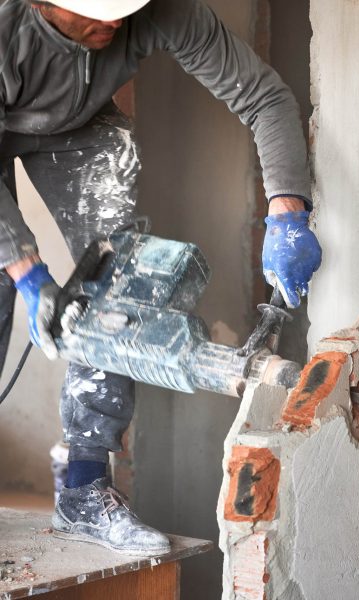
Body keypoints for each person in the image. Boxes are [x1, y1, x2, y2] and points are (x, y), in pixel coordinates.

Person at [0, 0, 322, 555]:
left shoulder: (159, 9)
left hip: (80, 128)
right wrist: (27, 273)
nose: (115, 24)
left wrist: (288, 213)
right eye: (91, 14)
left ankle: (83, 490)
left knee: (120, 287)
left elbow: (264, 96)